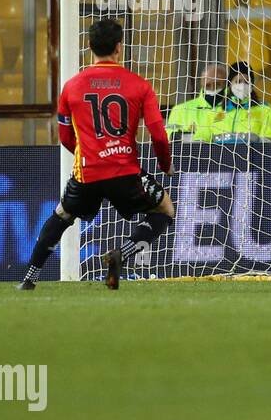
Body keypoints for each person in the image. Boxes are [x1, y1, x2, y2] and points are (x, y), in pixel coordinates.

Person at [18, 18, 174, 291]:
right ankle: (121, 255)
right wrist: (165, 165)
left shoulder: (72, 86)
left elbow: (65, 136)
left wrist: (89, 154)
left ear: (89, 46)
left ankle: (29, 278)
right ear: (119, 47)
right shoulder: (140, 85)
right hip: (125, 172)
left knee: (62, 215)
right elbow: (158, 134)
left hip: (87, 171)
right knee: (165, 209)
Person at [211, 61, 271, 144]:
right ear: (229, 84)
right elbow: (204, 140)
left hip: (251, 156)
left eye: (247, 82)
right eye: (238, 81)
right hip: (219, 156)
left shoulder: (265, 110)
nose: (243, 85)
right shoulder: (215, 111)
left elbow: (270, 143)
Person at [165, 63, 227, 142]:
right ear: (202, 83)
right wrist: (182, 137)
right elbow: (168, 135)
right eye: (208, 85)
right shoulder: (180, 110)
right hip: (192, 153)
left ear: (226, 83)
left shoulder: (233, 109)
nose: (212, 88)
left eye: (217, 84)